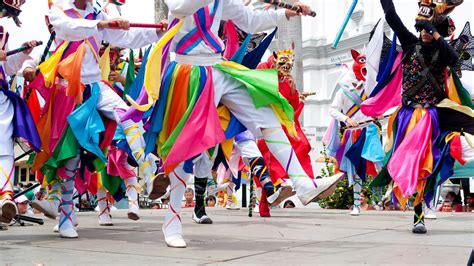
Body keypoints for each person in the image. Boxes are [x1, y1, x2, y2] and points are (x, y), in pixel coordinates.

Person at [145, 0, 344, 247]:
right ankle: (172, 223)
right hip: (188, 72)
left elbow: (250, 20)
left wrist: (285, 13)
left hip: (218, 68)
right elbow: (179, 9)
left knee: (266, 114)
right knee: (185, 149)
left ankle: (303, 184)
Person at [29, 0, 164, 238]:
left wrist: (156, 31)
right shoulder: (60, 10)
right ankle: (66, 218)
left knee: (129, 116)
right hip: (69, 91)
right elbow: (68, 27)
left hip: (95, 87)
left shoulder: (98, 10)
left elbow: (125, 38)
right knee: (71, 156)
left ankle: (150, 172)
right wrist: (100, 23)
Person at [374, 0, 470, 234]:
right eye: (422, 29)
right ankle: (414, 206)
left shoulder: (443, 51)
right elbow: (391, 17)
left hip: (433, 117)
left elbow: (453, 59)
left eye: (429, 30)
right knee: (410, 161)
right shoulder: (409, 44)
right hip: (408, 116)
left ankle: (419, 216)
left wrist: (434, 29)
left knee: (426, 163)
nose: (425, 33)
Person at [0, 0, 41, 225]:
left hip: (0, 93)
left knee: (4, 145)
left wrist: (22, 54)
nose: (4, 16)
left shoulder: (2, 32)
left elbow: (6, 68)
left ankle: (5, 195)